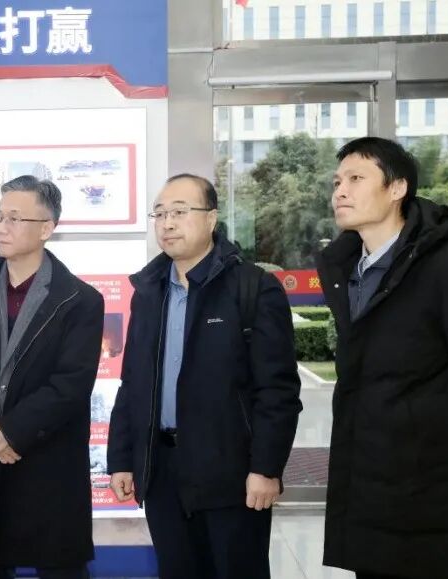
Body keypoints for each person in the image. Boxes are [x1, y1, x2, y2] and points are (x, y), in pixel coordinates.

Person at [316, 137, 448, 579]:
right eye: (336, 182)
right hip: (367, 499)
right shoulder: (349, 272)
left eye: (356, 178)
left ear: (397, 188)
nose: (340, 191)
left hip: (430, 505)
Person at [107, 174, 302, 579]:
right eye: (160, 214)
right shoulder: (149, 292)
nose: (167, 223)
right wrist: (122, 460)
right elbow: (133, 384)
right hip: (163, 470)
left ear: (211, 218)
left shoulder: (253, 288)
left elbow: (277, 391)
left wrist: (266, 468)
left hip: (231, 473)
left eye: (180, 212)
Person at [0, 175, 104, 579]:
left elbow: (71, 384)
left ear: (46, 228)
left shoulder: (80, 300)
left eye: (14, 218)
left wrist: (10, 432)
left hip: (47, 461)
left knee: (61, 569)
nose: (1, 227)